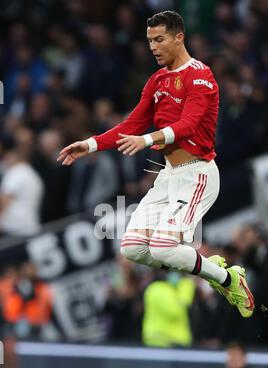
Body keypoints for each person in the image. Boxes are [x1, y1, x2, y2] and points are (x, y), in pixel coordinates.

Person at [58, 11, 254, 318]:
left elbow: (189, 124)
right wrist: (91, 144)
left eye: (159, 39)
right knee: (132, 248)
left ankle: (229, 279)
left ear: (179, 38)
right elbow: (133, 123)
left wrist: (147, 141)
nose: (153, 47)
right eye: (150, 40)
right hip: (168, 176)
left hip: (197, 175)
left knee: (163, 248)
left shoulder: (201, 76)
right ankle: (207, 266)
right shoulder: (157, 80)